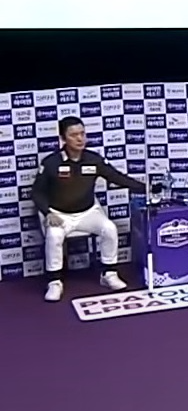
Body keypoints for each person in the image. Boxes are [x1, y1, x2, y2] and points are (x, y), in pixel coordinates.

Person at [32, 116, 154, 302]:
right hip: (59, 214)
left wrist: (146, 188)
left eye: (82, 134)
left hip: (88, 212)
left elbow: (117, 177)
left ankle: (109, 274)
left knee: (109, 228)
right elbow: (37, 193)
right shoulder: (51, 163)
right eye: (74, 135)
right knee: (54, 236)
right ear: (63, 139)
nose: (80, 139)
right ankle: (54, 282)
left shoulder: (93, 159)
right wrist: (48, 212)